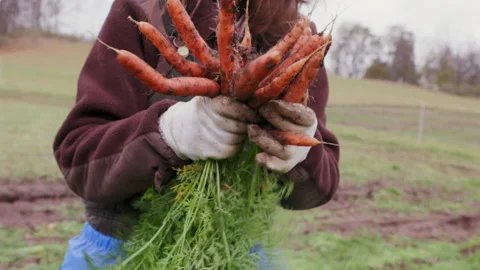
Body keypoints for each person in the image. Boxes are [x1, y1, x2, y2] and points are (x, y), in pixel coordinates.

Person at [53, 0, 340, 269]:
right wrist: (167, 132)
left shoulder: (302, 38)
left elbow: (320, 188)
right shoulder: (146, 8)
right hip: (127, 249)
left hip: (235, 252)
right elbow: (77, 159)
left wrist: (302, 150)